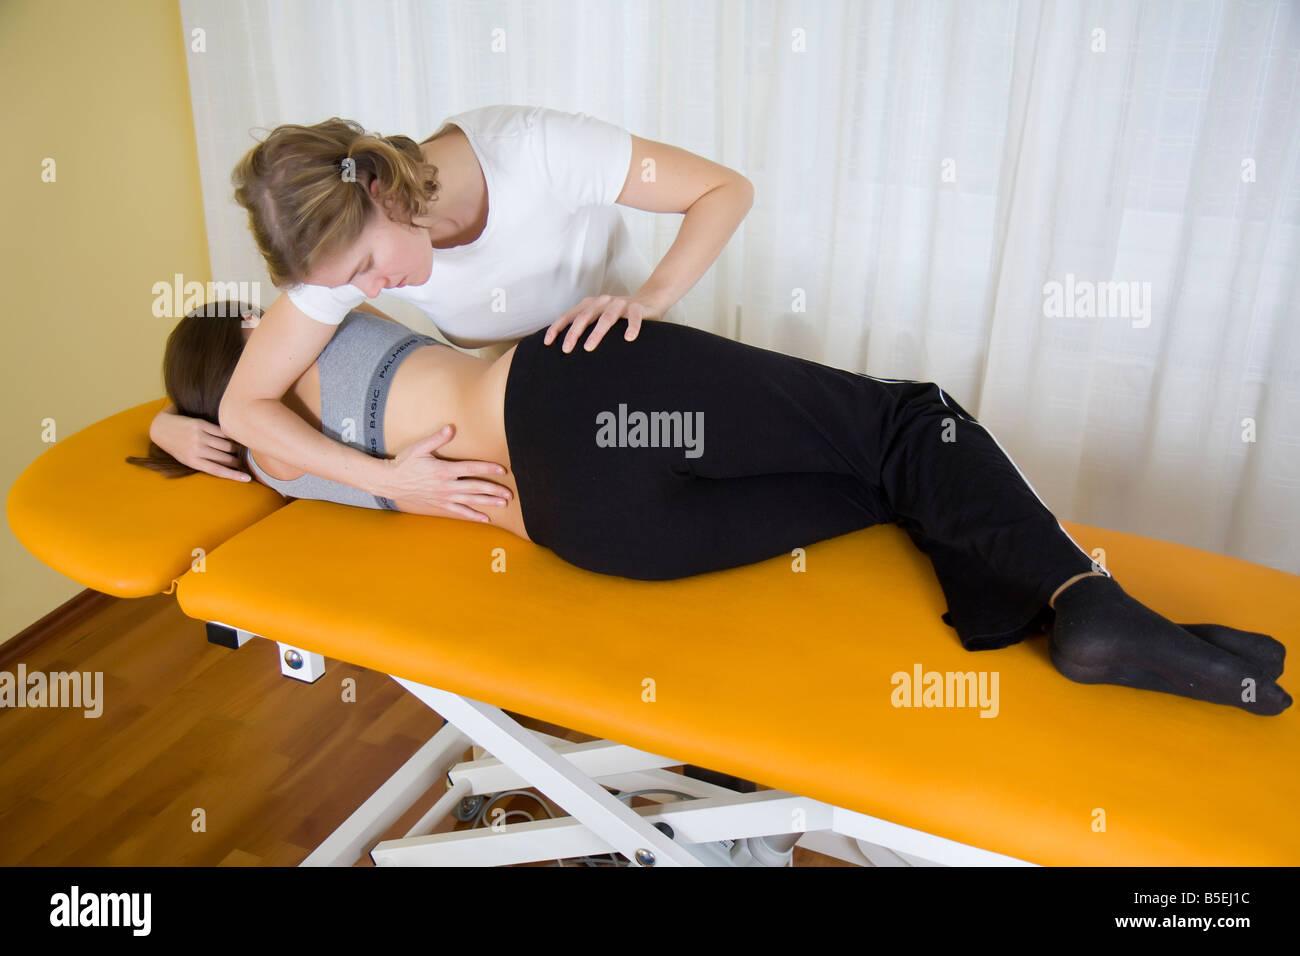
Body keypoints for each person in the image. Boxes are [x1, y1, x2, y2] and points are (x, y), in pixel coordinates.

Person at [127, 301, 1292, 717]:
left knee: (886, 491)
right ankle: (1087, 602)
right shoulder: (303, 322)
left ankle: (1068, 610)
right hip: (578, 391)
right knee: (904, 422)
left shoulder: (270, 459)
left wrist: (171, 428)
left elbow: (196, 421)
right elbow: (257, 339)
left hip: (598, 535)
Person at [149, 105, 754, 525]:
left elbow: (724, 189)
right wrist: (166, 424)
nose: (367, 292)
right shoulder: (346, 251)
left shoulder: (536, 150)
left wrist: (651, 297)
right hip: (526, 404)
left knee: (742, 464)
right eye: (349, 283)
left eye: (365, 266)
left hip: (631, 355)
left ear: (379, 188)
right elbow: (240, 402)